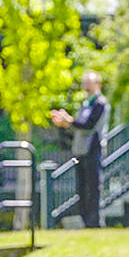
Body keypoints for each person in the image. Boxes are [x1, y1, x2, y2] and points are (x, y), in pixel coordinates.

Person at [50, 71, 109, 228]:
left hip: (93, 150)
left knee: (93, 187)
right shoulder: (85, 104)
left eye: (89, 83)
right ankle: (85, 221)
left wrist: (69, 120)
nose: (86, 86)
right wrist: (65, 123)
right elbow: (78, 126)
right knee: (81, 188)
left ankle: (94, 222)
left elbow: (89, 125)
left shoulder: (100, 103)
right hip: (80, 151)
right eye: (85, 83)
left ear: (98, 84)